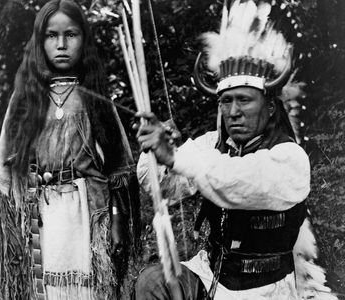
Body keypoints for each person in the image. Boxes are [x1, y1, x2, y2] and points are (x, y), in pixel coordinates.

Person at [133, 0, 336, 299]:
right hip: (209, 273)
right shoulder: (210, 145)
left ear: (269, 107)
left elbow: (239, 181)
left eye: (244, 100)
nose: (233, 111)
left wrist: (178, 156)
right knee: (152, 282)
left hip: (266, 290)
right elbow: (158, 186)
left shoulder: (290, 157)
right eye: (225, 101)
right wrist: (158, 152)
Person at [0, 1, 140, 299]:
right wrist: (14, 232)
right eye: (51, 35)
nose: (61, 44)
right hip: (40, 217)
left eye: (70, 35)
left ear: (83, 39)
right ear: (39, 41)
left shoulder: (95, 98)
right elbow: (5, 176)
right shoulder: (25, 100)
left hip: (87, 214)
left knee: (89, 289)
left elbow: (118, 172)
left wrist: (116, 220)